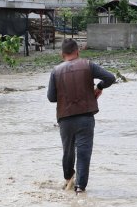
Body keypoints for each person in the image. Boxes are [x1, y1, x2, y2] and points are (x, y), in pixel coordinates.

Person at [47, 38, 117, 194]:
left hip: (65, 118)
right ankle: (80, 188)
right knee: (84, 153)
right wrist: (99, 86)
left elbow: (51, 98)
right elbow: (110, 78)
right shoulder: (87, 65)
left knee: (68, 151)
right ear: (78, 51)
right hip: (85, 117)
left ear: (62, 54)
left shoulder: (56, 71)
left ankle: (68, 180)